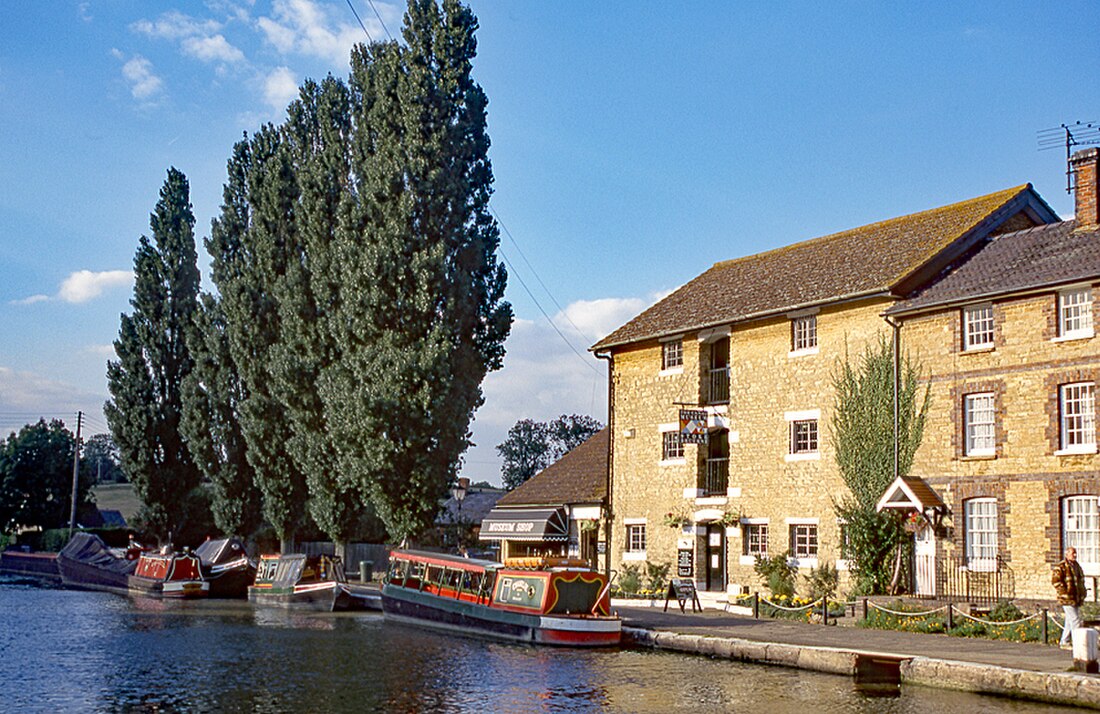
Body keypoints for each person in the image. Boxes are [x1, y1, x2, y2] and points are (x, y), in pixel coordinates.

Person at [1052, 546, 1087, 648]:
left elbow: (1081, 581)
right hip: (1066, 599)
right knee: (1075, 620)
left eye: (1075, 553)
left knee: (1069, 621)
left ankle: (1064, 641)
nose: (1075, 555)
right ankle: (1079, 644)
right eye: (1072, 553)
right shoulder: (1061, 566)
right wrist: (1065, 592)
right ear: (1067, 554)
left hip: (1076, 598)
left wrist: (1083, 592)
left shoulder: (1077, 566)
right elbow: (1056, 581)